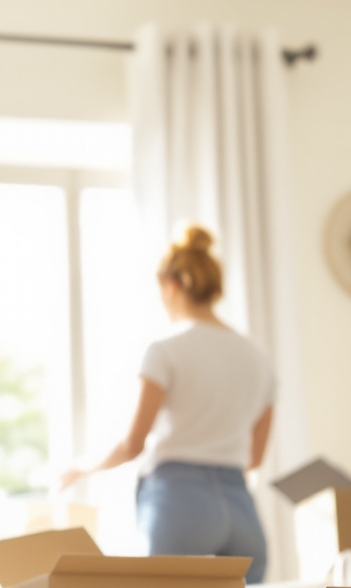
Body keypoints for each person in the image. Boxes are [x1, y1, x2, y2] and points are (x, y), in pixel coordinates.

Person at [57, 226, 276, 566]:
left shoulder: (165, 350)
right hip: (240, 509)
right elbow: (255, 458)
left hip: (179, 502)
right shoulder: (259, 359)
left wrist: (79, 468)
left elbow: (132, 445)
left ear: (171, 285)